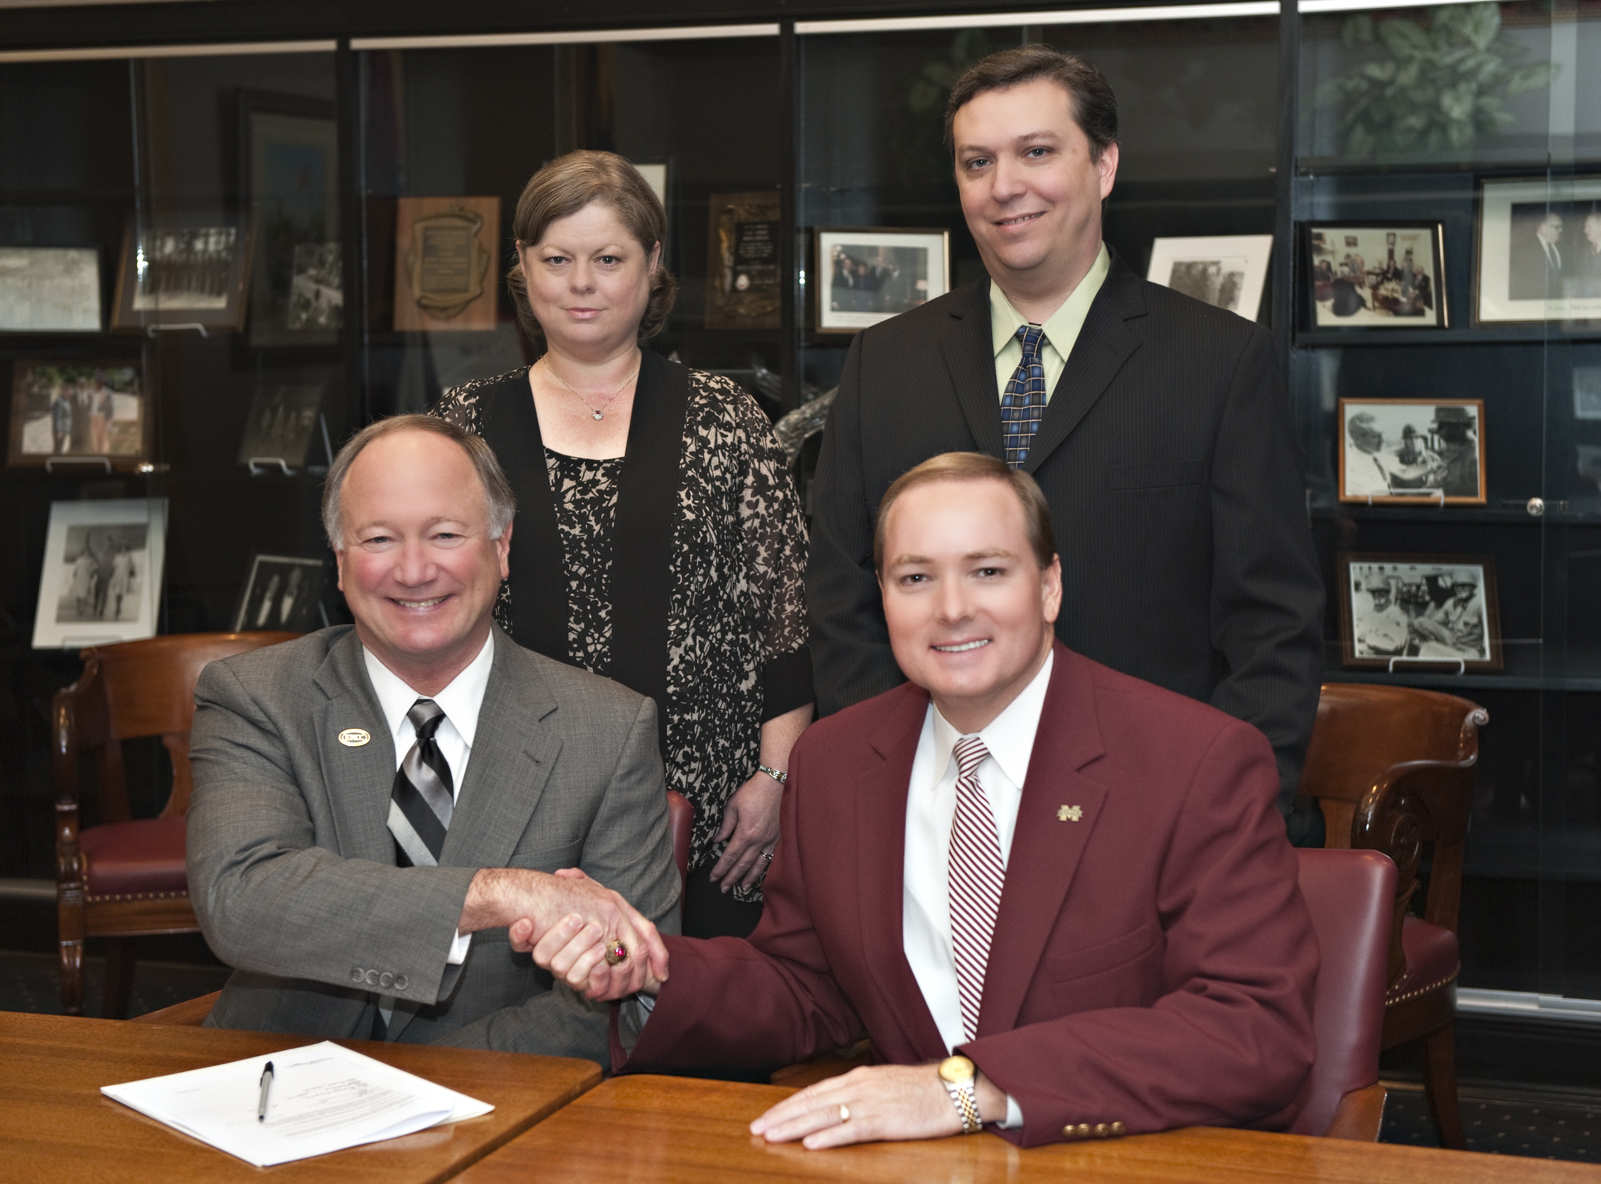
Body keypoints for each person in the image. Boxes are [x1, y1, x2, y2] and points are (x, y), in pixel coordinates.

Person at [517, 453, 1317, 1148]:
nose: (952, 608)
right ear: (883, 600)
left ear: (1050, 586)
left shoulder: (1194, 760)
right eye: (915, 578)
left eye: (988, 570)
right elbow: (809, 988)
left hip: (1122, 1156)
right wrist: (646, 968)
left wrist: (968, 1090)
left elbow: (1253, 1030)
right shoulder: (834, 760)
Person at [805, 45, 1324, 829]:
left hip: (1153, 818)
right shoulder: (886, 362)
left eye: (1037, 152)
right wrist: (896, 788)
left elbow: (1272, 627)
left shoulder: (1220, 362)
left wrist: (1223, 820)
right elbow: (842, 596)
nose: (1005, 186)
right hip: (932, 808)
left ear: (1105, 165)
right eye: (977, 161)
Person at [186, 414, 681, 1055]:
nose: (414, 571)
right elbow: (242, 901)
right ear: (340, 562)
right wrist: (501, 892)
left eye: (445, 534)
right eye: (379, 539)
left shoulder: (607, 730)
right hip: (276, 1084)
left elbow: (631, 983)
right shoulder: (256, 697)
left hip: (503, 1100)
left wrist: (432, 1084)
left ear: (501, 548)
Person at [433, 151, 812, 938]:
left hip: (713, 811)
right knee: (515, 1044)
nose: (582, 283)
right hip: (509, 803)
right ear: (523, 268)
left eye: (608, 259)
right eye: (557, 259)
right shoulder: (464, 425)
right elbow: (429, 611)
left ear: (652, 266)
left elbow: (784, 622)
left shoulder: (725, 418)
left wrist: (775, 779)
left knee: (695, 1037)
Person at [1413, 571, 1485, 658]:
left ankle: (1439, 649)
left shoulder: (1480, 604)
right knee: (1419, 622)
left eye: (1464, 585)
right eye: (1456, 586)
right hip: (1452, 639)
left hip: (1470, 647)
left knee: (1472, 658)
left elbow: (1488, 634)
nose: (1459, 589)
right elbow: (1435, 621)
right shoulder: (1451, 602)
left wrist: (1484, 652)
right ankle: (1435, 645)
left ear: (1472, 587)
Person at [1510, 210, 1565, 300]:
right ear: (1543, 227)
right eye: (1557, 227)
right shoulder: (1525, 249)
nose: (1561, 230)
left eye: (1561, 227)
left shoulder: (1559, 248)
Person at [1341, 412, 1395, 498]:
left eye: (1382, 435)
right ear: (1357, 438)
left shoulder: (1375, 455)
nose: (1382, 440)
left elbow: (1404, 471)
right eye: (1375, 436)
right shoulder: (1351, 467)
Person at [1430, 406, 1480, 498]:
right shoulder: (1459, 452)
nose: (1438, 431)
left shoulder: (1475, 459)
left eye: (1441, 425)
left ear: (1458, 426)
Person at [1356, 579, 1410, 658]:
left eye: (1381, 593)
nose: (1377, 596)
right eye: (1373, 593)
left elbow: (1393, 644)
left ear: (1388, 593)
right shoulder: (1371, 613)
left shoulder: (1397, 615)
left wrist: (1367, 638)